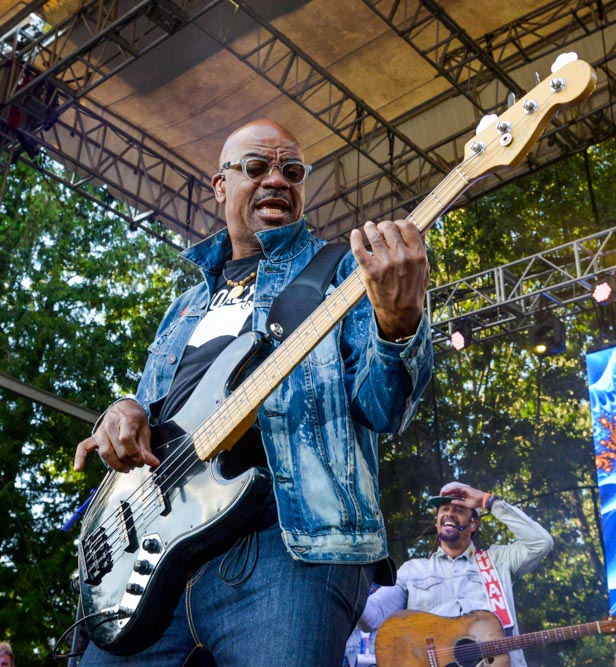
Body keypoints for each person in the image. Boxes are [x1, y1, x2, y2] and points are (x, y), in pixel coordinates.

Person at [73, 119, 434, 666]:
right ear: (221, 185)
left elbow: (386, 409)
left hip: (290, 549)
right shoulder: (185, 305)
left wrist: (400, 324)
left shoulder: (344, 272)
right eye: (257, 167)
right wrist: (124, 411)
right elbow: (152, 417)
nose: (277, 180)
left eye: (292, 171)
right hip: (156, 559)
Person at [358, 481, 554, 667]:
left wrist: (487, 501)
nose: (449, 514)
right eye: (444, 509)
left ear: (473, 523)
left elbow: (541, 543)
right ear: (437, 522)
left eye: (459, 510)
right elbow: (371, 616)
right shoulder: (413, 570)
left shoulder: (498, 561)